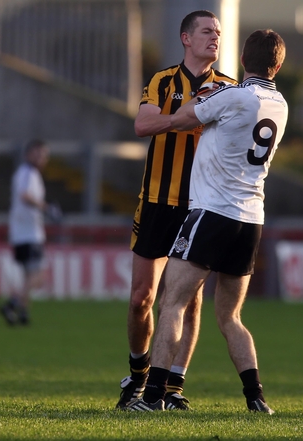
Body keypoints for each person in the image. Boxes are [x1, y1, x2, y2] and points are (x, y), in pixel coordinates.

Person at [127, 29, 287, 413]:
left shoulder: (231, 95)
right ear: (278, 65)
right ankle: (256, 398)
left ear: (243, 60)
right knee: (231, 316)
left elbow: (183, 118)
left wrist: (202, 102)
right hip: (251, 219)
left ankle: (152, 398)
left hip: (212, 212)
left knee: (173, 304)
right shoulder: (280, 104)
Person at [117, 10, 237, 411]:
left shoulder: (229, 88)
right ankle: (137, 374)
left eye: (218, 32)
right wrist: (191, 116)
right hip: (155, 203)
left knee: (189, 300)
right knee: (141, 298)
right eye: (206, 31)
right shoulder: (162, 81)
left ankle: (172, 386)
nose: (215, 37)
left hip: (200, 207)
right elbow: (142, 126)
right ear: (186, 38)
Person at [0, 139, 60, 326]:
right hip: (29, 233)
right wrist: (47, 208)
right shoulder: (28, 173)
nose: (40, 158)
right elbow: (25, 196)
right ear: (28, 154)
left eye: (43, 155)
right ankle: (12, 304)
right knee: (39, 276)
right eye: (37, 153)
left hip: (22, 232)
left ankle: (23, 314)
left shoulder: (27, 173)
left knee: (28, 276)